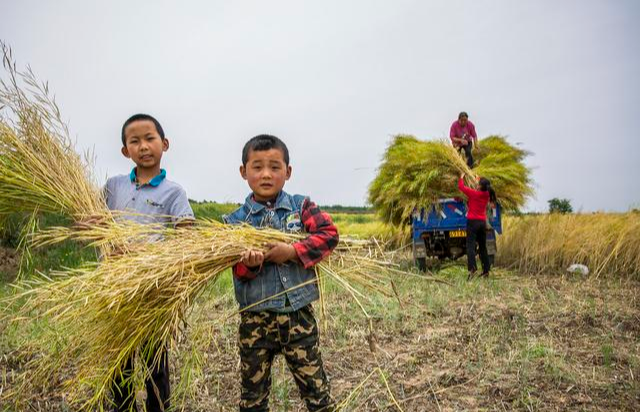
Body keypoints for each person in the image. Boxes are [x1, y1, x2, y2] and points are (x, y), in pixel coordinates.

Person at [223, 134, 338, 412]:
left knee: (317, 393)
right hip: (255, 320)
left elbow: (329, 235)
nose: (266, 174)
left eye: (275, 167)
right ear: (243, 172)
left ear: (288, 172)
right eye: (257, 167)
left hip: (297, 315)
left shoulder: (301, 207)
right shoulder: (234, 223)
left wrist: (293, 250)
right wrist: (249, 265)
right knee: (253, 397)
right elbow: (237, 271)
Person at [105, 113, 195, 412]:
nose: (143, 146)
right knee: (119, 366)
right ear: (125, 150)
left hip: (152, 292)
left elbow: (186, 237)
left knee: (156, 364)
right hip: (115, 290)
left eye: (150, 138)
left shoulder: (174, 192)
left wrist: (143, 253)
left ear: (164, 144)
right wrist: (93, 226)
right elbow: (90, 222)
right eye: (135, 141)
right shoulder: (113, 186)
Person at [458, 173, 496, 280]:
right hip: (482, 223)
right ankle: (486, 271)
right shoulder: (487, 194)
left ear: (479, 186)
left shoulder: (474, 193)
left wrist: (461, 177)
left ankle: (472, 269)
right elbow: (483, 186)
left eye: (478, 184)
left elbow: (461, 187)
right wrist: (478, 179)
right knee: (483, 247)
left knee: (470, 247)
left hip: (472, 223)